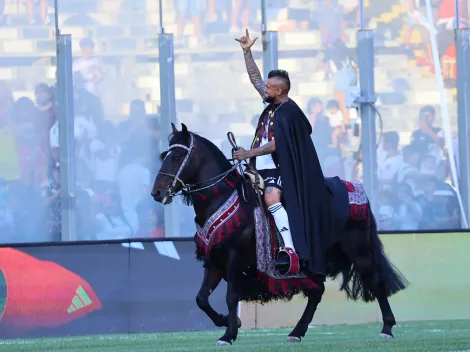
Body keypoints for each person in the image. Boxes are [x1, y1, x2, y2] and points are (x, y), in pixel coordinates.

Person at [232, 29, 332, 277]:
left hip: (281, 170)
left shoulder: (289, 112)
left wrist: (248, 153)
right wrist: (247, 52)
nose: (263, 88)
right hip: (257, 167)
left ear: (279, 91)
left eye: (269, 86)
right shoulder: (273, 102)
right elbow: (255, 80)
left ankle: (290, 251)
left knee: (271, 199)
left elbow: (278, 145)